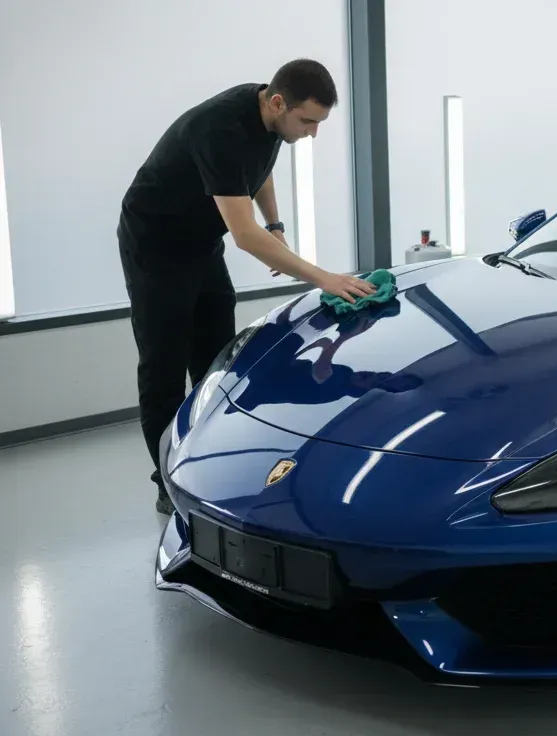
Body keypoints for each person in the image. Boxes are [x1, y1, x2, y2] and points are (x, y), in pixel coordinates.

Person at [117, 58, 375, 514]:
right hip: (156, 243)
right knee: (164, 362)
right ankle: (168, 481)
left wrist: (275, 223)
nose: (313, 133)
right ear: (279, 102)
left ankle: (208, 462)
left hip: (201, 239)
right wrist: (325, 279)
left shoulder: (267, 116)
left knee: (219, 359)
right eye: (309, 121)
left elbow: (258, 169)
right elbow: (243, 235)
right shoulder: (219, 129)